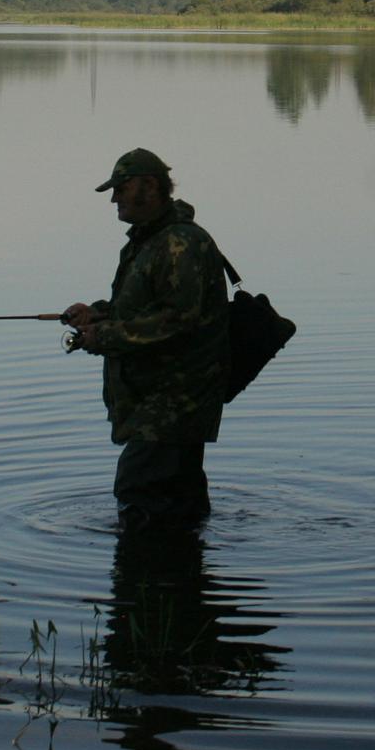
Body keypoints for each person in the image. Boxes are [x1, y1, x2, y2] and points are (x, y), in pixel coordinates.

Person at [64, 149, 229, 532]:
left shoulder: (179, 243)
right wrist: (97, 313)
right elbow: (146, 308)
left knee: (140, 490)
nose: (114, 199)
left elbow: (176, 320)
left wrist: (102, 336)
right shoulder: (150, 240)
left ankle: (144, 585)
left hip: (174, 401)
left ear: (150, 186)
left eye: (121, 189)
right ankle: (180, 581)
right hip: (162, 401)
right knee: (178, 501)